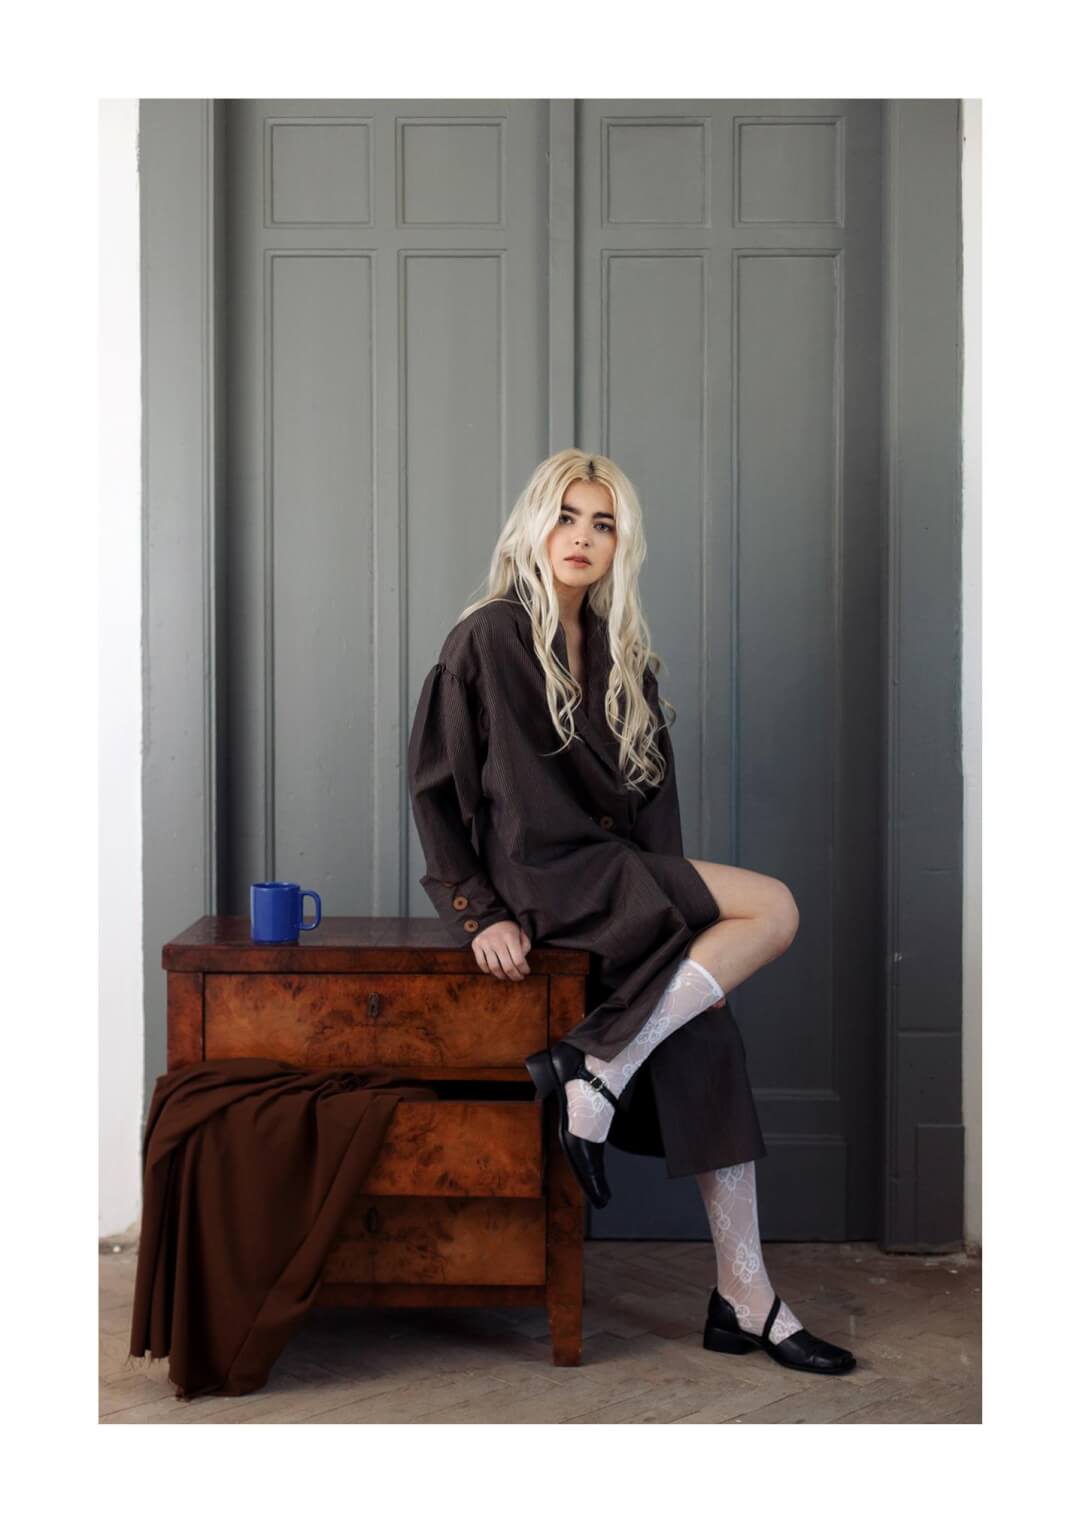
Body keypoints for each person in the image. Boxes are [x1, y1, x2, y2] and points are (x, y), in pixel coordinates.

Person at [407, 448, 854, 1375]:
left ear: (620, 544)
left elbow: (659, 821)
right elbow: (437, 792)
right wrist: (477, 911)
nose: (581, 537)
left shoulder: (626, 658)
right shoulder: (485, 639)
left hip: (622, 888)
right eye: (566, 516)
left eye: (601, 523)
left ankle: (745, 1295)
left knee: (710, 1039)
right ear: (534, 524)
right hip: (546, 888)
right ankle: (600, 1071)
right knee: (774, 907)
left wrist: (690, 956)